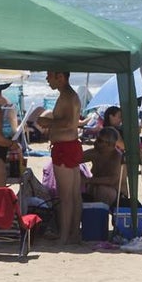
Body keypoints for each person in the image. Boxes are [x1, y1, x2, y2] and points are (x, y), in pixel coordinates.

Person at [33, 72, 83, 243]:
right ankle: (74, 234)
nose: (47, 79)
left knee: (66, 196)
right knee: (74, 194)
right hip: (70, 145)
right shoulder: (69, 95)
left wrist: (48, 123)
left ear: (60, 76)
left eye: (50, 75)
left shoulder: (68, 96)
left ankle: (64, 236)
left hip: (65, 148)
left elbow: (69, 123)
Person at [83, 127, 124, 206]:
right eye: (96, 139)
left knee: (102, 191)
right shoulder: (96, 153)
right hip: (96, 188)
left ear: (110, 145)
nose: (95, 143)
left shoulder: (117, 157)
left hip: (116, 194)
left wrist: (87, 180)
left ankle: (99, 216)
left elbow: (112, 180)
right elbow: (74, 160)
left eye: (99, 141)